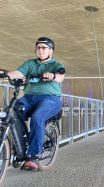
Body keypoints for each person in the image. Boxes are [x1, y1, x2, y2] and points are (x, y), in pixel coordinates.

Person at [6, 37, 65, 171]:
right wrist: (6, 74)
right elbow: (17, 73)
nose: (40, 50)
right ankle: (21, 144)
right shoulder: (30, 63)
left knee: (38, 117)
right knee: (11, 111)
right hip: (28, 98)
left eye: (44, 48)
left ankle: (33, 155)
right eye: (38, 48)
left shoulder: (56, 65)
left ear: (51, 51)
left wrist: (53, 76)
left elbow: (61, 76)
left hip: (50, 99)